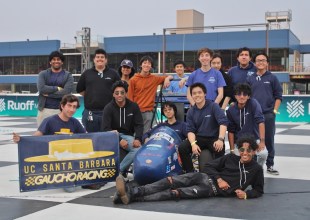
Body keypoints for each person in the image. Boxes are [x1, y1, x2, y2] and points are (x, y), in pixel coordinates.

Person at [114, 135, 264, 204]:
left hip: (210, 190)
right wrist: (219, 179)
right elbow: (209, 166)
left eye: (248, 150)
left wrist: (246, 194)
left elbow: (258, 190)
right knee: (170, 181)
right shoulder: (230, 158)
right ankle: (133, 192)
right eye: (242, 149)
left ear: (254, 151)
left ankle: (128, 197)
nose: (244, 152)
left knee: (175, 193)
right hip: (202, 177)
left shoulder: (256, 169)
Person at [13, 94, 85, 193]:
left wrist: (108, 135)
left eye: (74, 107)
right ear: (62, 106)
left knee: (73, 187)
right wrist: (21, 140)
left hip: (69, 160)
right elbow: (37, 136)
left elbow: (86, 137)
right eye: (69, 105)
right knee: (70, 188)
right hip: (53, 160)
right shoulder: (50, 121)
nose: (72, 109)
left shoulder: (75, 122)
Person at [178, 83, 228, 173]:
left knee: (220, 149)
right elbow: (190, 130)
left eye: (199, 92)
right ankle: (190, 173)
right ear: (192, 96)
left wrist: (220, 139)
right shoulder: (191, 111)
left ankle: (219, 175)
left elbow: (223, 123)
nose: (197, 95)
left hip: (214, 138)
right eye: (194, 93)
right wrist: (193, 144)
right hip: (199, 138)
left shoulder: (214, 106)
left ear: (205, 94)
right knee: (182, 147)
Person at [246, 52, 283, 175]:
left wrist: (274, 111)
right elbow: (246, 96)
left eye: (263, 60)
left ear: (267, 63)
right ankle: (254, 165)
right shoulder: (250, 78)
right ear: (255, 63)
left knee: (268, 140)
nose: (260, 62)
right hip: (252, 115)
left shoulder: (272, 78)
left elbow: (278, 96)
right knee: (253, 140)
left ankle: (270, 165)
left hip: (268, 114)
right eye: (258, 60)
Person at [101, 80, 144, 177]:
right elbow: (105, 128)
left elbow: (139, 124)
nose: (119, 95)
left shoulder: (133, 106)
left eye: (122, 93)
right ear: (113, 95)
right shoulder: (108, 108)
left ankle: (118, 170)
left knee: (138, 149)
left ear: (126, 94)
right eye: (117, 93)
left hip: (128, 136)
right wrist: (119, 139)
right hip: (113, 135)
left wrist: (137, 138)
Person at [76, 49, 120, 133]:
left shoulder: (113, 74)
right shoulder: (87, 73)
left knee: (108, 139)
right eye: (98, 57)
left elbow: (119, 91)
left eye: (102, 57)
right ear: (94, 59)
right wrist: (91, 96)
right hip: (90, 113)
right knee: (91, 139)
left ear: (106, 60)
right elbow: (80, 90)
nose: (100, 59)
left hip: (109, 112)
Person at [127, 55, 173, 133]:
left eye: (149, 63)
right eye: (145, 63)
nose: (147, 65)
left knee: (147, 136)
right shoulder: (133, 80)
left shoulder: (154, 78)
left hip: (149, 112)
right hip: (136, 112)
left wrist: (167, 79)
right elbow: (129, 98)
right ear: (141, 65)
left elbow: (170, 76)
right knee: (136, 136)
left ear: (151, 66)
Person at [226, 83, 268, 167]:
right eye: (239, 94)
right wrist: (231, 149)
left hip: (254, 139)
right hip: (239, 141)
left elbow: (261, 122)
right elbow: (230, 131)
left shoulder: (253, 103)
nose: (242, 96)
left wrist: (262, 142)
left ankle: (258, 170)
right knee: (230, 157)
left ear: (248, 96)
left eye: (245, 94)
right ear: (235, 96)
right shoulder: (231, 110)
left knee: (263, 154)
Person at [37, 51, 74, 126]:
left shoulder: (68, 76)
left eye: (58, 59)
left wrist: (49, 94)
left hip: (62, 111)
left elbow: (66, 92)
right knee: (43, 136)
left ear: (62, 62)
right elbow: (41, 88)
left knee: (61, 137)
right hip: (44, 110)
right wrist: (57, 88)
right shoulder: (43, 74)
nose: (56, 61)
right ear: (50, 62)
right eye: (53, 59)